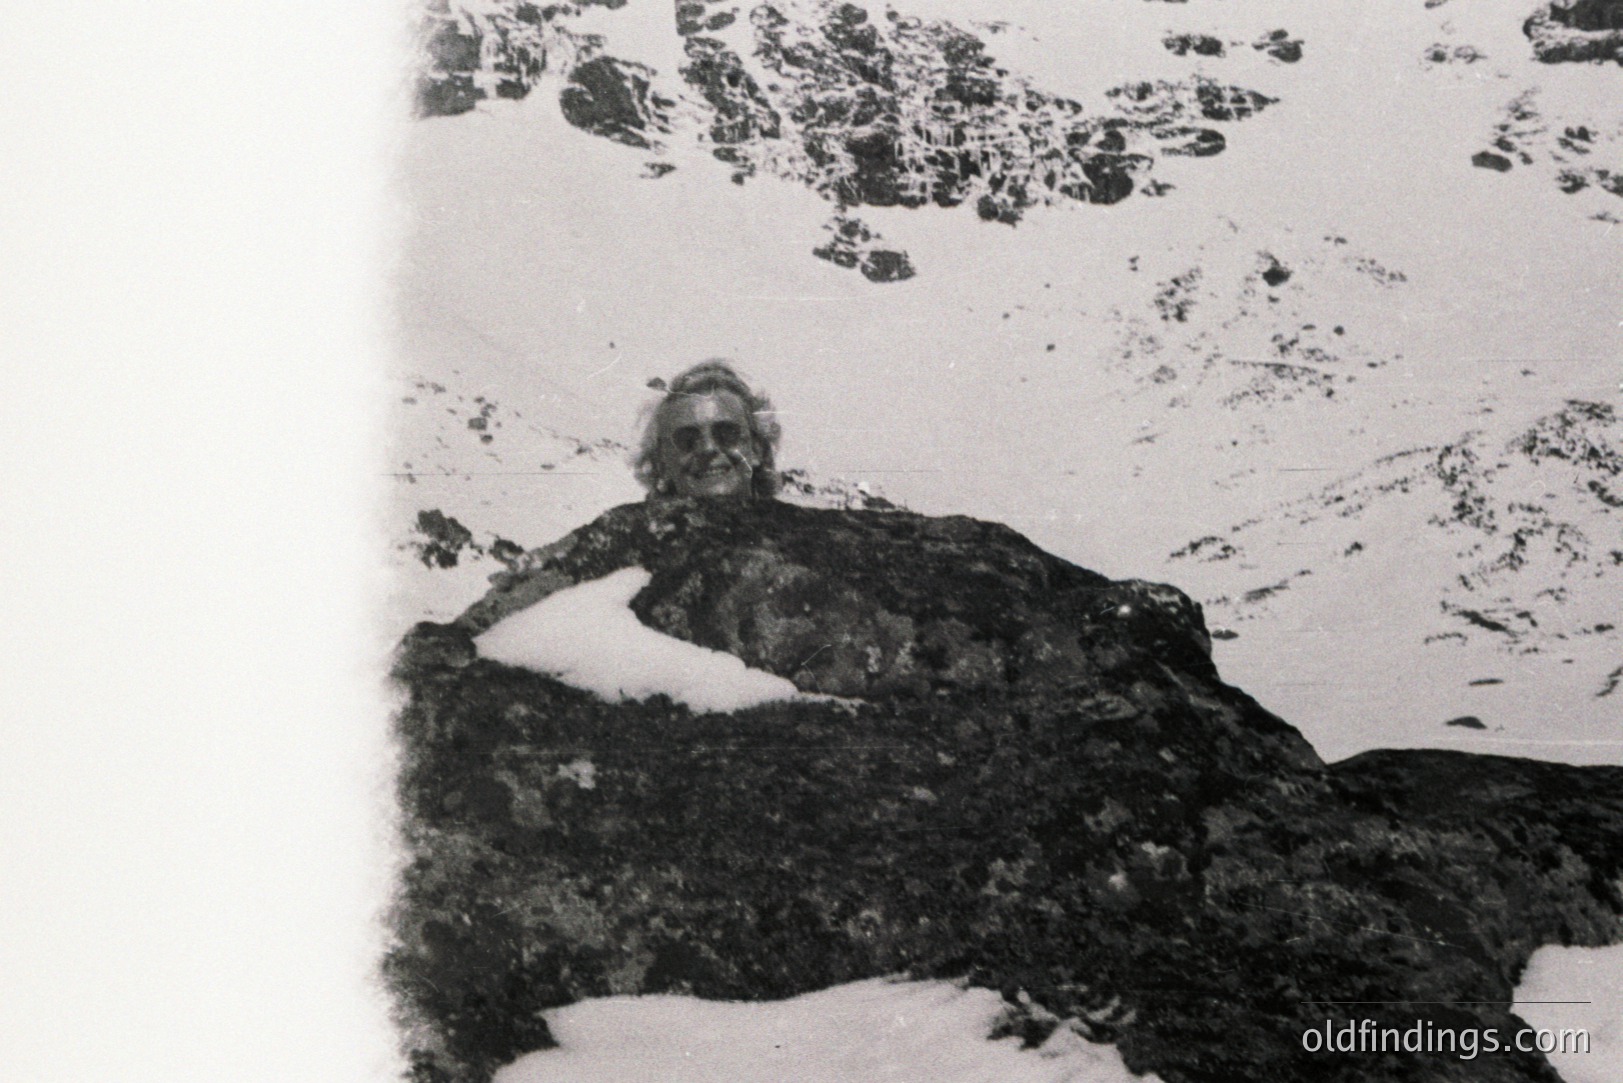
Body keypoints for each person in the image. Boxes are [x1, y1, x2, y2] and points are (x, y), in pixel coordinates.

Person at [633, 360, 782, 501]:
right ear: (661, 463)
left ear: (757, 449)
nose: (707, 448)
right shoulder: (627, 527)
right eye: (687, 440)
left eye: (726, 434)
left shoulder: (799, 527)